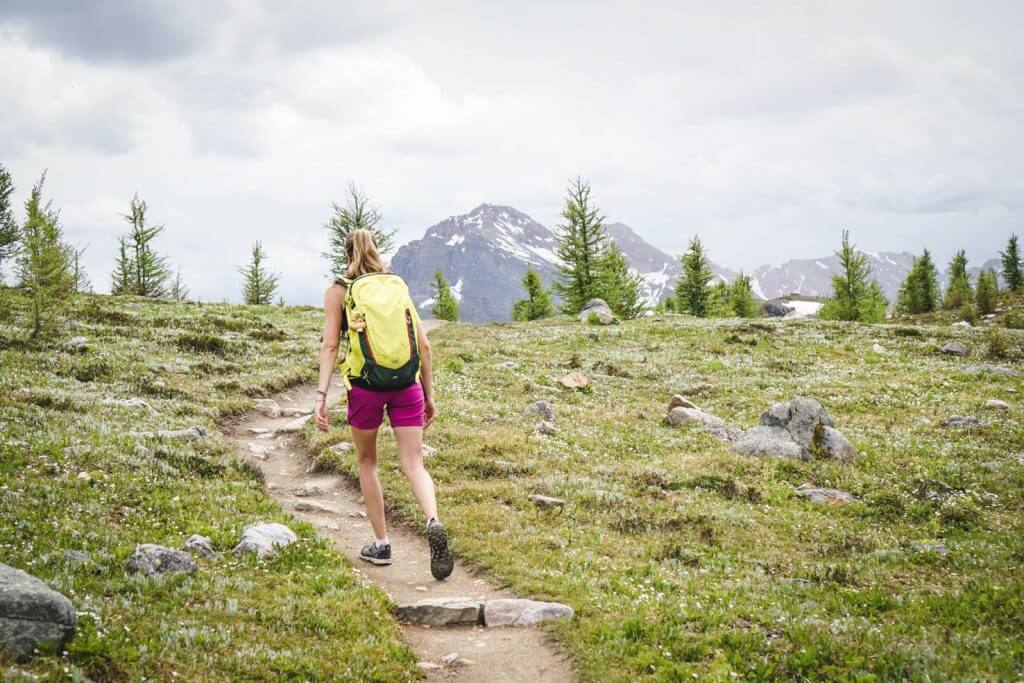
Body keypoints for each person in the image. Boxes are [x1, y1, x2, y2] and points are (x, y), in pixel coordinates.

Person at [313, 228, 453, 580]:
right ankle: (433, 520)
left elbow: (331, 345)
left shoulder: (338, 291)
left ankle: (382, 543)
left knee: (367, 461)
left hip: (365, 387)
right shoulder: (395, 284)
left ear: (347, 255)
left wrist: (321, 395)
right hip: (407, 385)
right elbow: (424, 345)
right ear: (376, 251)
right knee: (414, 463)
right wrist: (429, 394)